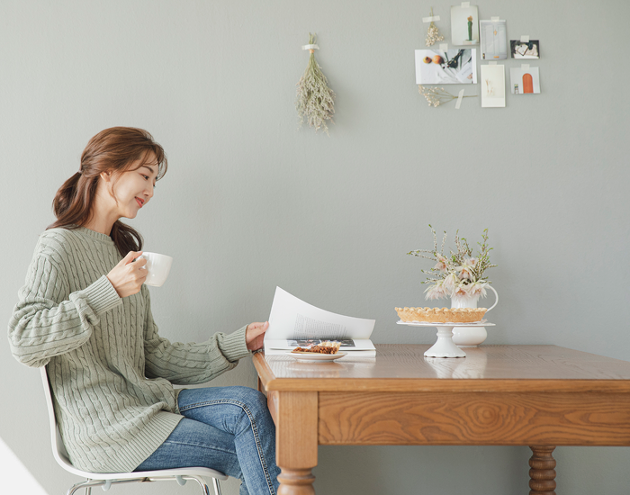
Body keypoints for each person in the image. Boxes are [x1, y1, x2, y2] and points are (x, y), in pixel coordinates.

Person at [7, 127, 280, 495]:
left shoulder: (124, 255)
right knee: (254, 451)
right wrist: (108, 291)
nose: (150, 190)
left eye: (154, 180)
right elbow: (23, 339)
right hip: (107, 430)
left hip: (145, 403)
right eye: (145, 175)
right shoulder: (59, 245)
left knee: (248, 403)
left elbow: (153, 356)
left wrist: (237, 343)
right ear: (108, 171)